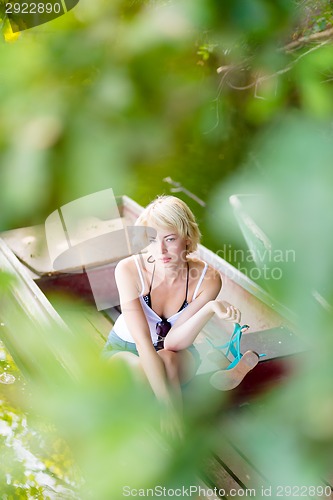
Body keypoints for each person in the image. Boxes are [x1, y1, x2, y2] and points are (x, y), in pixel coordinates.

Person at [103, 195, 252, 437]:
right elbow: (142, 344)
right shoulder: (129, 270)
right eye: (152, 239)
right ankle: (172, 414)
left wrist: (209, 308)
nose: (160, 250)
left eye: (170, 239)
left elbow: (173, 343)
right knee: (145, 371)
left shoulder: (208, 279)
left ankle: (160, 418)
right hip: (127, 350)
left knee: (169, 359)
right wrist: (168, 408)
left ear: (187, 239)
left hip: (176, 353)